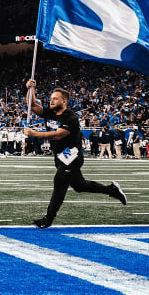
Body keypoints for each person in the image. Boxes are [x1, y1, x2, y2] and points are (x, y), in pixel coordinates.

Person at [23, 79, 127, 230]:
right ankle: (111, 190)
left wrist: (35, 134)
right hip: (59, 155)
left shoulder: (70, 118)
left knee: (59, 183)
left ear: (64, 101)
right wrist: (30, 89)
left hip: (71, 156)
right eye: (51, 98)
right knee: (79, 186)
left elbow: (59, 135)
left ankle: (48, 219)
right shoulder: (50, 112)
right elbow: (31, 105)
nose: (51, 100)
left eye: (55, 98)